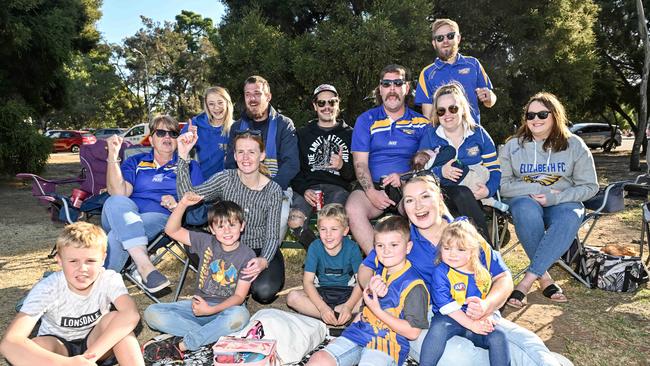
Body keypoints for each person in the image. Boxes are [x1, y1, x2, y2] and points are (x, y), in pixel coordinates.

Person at [359, 175, 566, 365]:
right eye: (410, 200)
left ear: (439, 198)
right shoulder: (402, 239)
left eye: (425, 196)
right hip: (427, 318)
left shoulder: (465, 233)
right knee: (461, 357)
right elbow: (366, 269)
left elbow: (502, 276)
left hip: (477, 311)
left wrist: (487, 304)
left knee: (526, 342)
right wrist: (373, 285)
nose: (418, 205)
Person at [501, 92, 598, 307]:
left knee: (571, 216)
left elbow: (590, 186)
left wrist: (557, 197)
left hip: (562, 202)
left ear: (554, 115)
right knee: (525, 209)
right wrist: (536, 188)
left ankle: (527, 281)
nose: (535, 119)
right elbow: (504, 185)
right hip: (524, 201)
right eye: (530, 115)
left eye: (542, 114)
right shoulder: (512, 146)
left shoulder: (575, 145)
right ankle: (544, 278)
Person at [0, 222, 143, 366]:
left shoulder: (108, 278)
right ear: (59, 260)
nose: (82, 268)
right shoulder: (48, 288)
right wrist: (68, 363)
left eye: (90, 261)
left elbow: (131, 314)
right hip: (58, 347)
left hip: (96, 345)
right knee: (37, 345)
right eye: (73, 261)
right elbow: (10, 342)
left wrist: (87, 359)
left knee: (118, 322)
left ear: (103, 259)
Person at [142, 194, 255, 362]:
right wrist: (182, 204)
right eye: (220, 226)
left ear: (242, 226)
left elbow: (239, 297)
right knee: (152, 313)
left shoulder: (247, 255)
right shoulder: (205, 241)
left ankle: (184, 344)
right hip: (196, 307)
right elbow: (171, 230)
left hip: (226, 310)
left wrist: (210, 310)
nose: (227, 231)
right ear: (211, 229)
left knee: (240, 316)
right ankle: (212, 337)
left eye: (232, 225)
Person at [177, 129, 285, 304]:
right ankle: (231, 286)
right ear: (234, 155)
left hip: (258, 249)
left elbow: (272, 234)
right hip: (226, 248)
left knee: (264, 293)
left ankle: (241, 286)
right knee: (196, 244)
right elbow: (187, 196)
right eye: (240, 152)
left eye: (252, 152)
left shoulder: (273, 190)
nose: (245, 157)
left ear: (262, 155)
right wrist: (183, 156)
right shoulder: (226, 179)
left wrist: (263, 260)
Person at [307, 215, 430, 366]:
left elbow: (413, 332)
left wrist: (377, 310)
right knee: (318, 360)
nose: (386, 251)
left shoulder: (414, 286)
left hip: (388, 343)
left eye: (394, 245)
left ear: (408, 247)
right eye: (380, 246)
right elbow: (364, 308)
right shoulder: (380, 270)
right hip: (359, 332)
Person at [101, 115, 203, 293]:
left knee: (116, 238)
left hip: (160, 218)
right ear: (151, 138)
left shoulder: (188, 165)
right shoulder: (136, 161)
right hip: (122, 214)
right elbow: (119, 192)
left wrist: (177, 205)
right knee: (115, 201)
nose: (167, 137)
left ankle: (100, 291)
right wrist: (113, 155)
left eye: (172, 133)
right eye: (161, 132)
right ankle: (145, 265)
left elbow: (198, 200)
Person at [346, 64, 429, 254]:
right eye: (386, 84)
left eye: (398, 83)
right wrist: (370, 192)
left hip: (408, 183)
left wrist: (405, 176)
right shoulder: (366, 120)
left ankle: (415, 264)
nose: (392, 89)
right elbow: (359, 163)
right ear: (380, 89)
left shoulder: (421, 123)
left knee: (420, 208)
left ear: (407, 88)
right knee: (352, 209)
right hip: (374, 184)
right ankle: (378, 262)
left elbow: (425, 161)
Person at [417, 82, 501, 241]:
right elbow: (420, 173)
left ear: (462, 108)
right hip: (442, 196)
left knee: (465, 194)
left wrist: (488, 190)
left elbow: (495, 169)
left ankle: (484, 253)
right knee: (462, 193)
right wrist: (440, 172)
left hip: (479, 196)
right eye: (441, 111)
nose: (447, 114)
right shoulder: (430, 135)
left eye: (453, 108)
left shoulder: (478, 133)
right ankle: (486, 249)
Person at [419, 219, 510, 366]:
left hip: (477, 318)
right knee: (438, 328)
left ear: (473, 251)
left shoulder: (481, 273)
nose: (452, 254)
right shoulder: (441, 272)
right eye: (447, 248)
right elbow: (445, 305)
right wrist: (470, 324)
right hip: (451, 318)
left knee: (498, 336)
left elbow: (488, 299)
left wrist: (488, 315)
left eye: (460, 250)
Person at [226, 75, 299, 241]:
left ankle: (267, 258)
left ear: (268, 96)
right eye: (248, 94)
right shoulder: (237, 128)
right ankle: (241, 259)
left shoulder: (284, 125)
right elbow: (230, 164)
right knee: (231, 220)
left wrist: (267, 190)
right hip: (242, 189)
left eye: (257, 93)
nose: (252, 99)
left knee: (278, 220)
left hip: (277, 188)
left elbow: (291, 164)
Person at [288, 84, 355, 247]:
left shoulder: (350, 134)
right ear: (314, 106)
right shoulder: (302, 134)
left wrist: (342, 166)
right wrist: (304, 190)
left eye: (331, 102)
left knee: (333, 223)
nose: (327, 107)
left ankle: (329, 259)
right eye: (322, 103)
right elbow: (294, 169)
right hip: (309, 189)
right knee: (295, 222)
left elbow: (355, 174)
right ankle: (318, 252)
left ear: (338, 104)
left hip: (337, 188)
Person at [286, 203, 363, 326]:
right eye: (323, 229)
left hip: (347, 293)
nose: (328, 234)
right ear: (318, 229)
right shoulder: (315, 247)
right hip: (321, 293)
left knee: (373, 298)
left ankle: (338, 313)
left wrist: (348, 306)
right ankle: (334, 315)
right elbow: (307, 282)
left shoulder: (352, 248)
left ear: (345, 231)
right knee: (292, 297)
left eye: (334, 229)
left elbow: (361, 282)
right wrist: (322, 308)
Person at [415, 18, 496, 124]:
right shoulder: (427, 73)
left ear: (458, 38)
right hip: (442, 137)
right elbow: (428, 117)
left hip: (473, 134)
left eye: (450, 36)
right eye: (439, 38)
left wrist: (489, 97)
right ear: (434, 43)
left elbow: (490, 101)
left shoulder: (473, 64)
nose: (445, 41)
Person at [182, 86, 235, 180]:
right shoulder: (195, 125)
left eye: (220, 102)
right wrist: (187, 139)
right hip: (201, 184)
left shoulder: (236, 128)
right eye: (211, 104)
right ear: (206, 106)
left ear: (227, 103)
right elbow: (178, 152)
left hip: (227, 185)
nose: (216, 107)